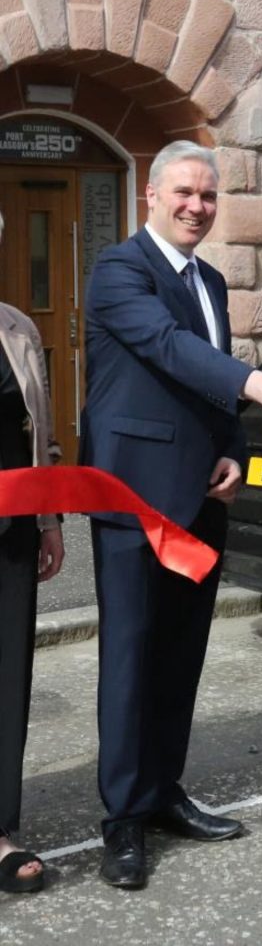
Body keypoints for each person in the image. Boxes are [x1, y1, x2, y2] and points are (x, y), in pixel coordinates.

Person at [80, 141, 262, 889]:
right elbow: (168, 348)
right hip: (134, 503)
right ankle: (123, 820)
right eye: (185, 192)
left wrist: (231, 448)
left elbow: (209, 383)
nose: (197, 206)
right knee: (131, 661)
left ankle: (163, 792)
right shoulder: (119, 269)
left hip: (202, 498)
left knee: (181, 656)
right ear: (151, 195)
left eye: (209, 195)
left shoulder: (211, 279)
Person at [0, 206, 64, 894]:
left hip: (12, 529)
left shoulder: (17, 326)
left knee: (7, 677)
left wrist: (50, 520)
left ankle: (1, 828)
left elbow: (38, 433)